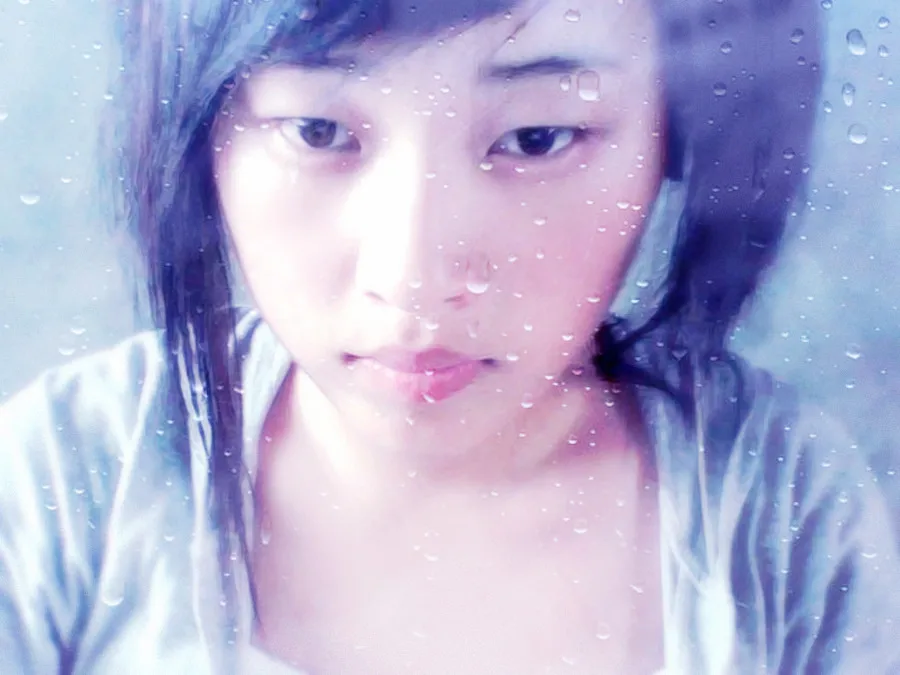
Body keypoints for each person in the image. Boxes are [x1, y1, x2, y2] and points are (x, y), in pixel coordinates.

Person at [1, 0, 898, 672]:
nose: (415, 278)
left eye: (538, 138)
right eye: (317, 130)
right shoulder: (71, 482)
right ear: (205, 135)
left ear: (679, 136)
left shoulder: (777, 506)